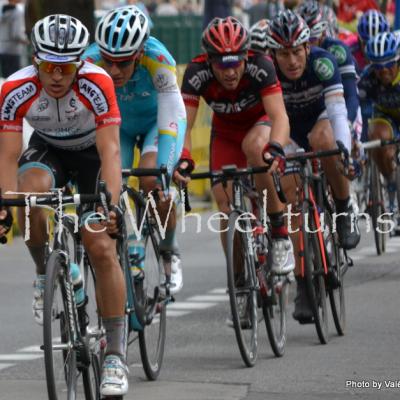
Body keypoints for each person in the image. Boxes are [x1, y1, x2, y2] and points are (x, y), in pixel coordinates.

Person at [0, 14, 129, 397]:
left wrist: (112, 203)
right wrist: (5, 207)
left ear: (80, 64)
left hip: (91, 154)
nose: (57, 77)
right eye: (49, 67)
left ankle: (116, 356)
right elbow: (8, 157)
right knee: (29, 194)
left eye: (67, 67)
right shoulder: (15, 88)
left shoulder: (97, 82)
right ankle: (46, 271)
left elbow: (110, 149)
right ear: (35, 60)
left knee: (101, 244)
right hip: (48, 149)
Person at [179, 16, 295, 324]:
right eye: (221, 65)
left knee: (256, 149)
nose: (229, 72)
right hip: (226, 133)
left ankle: (280, 232)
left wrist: (278, 148)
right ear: (209, 60)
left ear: (245, 56)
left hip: (260, 125)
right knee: (225, 203)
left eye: (235, 63)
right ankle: (242, 283)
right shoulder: (196, 73)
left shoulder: (262, 66)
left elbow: (280, 117)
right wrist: (184, 156)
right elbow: (183, 127)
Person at [83, 5, 186, 294]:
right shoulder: (89, 61)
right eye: (108, 61)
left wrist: (165, 170)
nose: (114, 70)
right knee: (109, 189)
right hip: (120, 127)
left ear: (140, 53)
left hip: (157, 122)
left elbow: (170, 118)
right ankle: (128, 246)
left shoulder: (159, 59)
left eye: (123, 62)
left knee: (152, 180)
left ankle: (168, 250)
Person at [265, 10, 360, 322]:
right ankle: (305, 283)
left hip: (320, 120)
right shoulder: (268, 72)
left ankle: (344, 209)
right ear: (272, 54)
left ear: (307, 48)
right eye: (283, 54)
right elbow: (268, 121)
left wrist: (343, 148)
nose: (291, 61)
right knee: (293, 201)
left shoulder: (323, 62)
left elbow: (337, 110)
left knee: (325, 139)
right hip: (289, 129)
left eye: (296, 52)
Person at [297, 1, 361, 145]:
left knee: (345, 145)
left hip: (342, 103)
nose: (307, 48)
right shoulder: (294, 56)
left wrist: (348, 126)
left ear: (323, 34)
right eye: (302, 42)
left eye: (312, 40)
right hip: (312, 107)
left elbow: (350, 95)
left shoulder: (337, 51)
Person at [358, 32, 400, 216]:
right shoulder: (367, 79)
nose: (384, 71)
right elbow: (360, 111)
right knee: (375, 136)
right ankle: (390, 180)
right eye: (378, 66)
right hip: (386, 115)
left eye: (389, 64)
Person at [0, 0, 28, 78]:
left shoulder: (2, 10)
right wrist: (26, 40)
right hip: (14, 50)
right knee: (15, 78)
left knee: (6, 79)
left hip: (2, 48)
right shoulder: (18, 12)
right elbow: (17, 34)